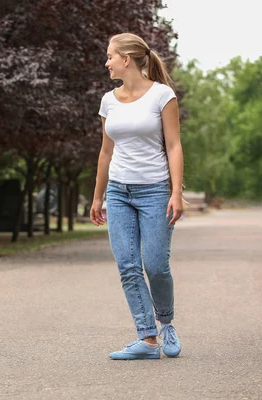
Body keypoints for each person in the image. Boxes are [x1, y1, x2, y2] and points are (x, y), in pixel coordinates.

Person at [90, 33, 184, 360]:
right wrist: (97, 196)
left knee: (155, 265)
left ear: (126, 59)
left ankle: (166, 323)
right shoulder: (108, 100)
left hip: (156, 190)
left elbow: (173, 145)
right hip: (118, 191)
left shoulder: (162, 95)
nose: (107, 62)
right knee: (128, 265)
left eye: (110, 56)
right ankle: (147, 338)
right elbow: (105, 152)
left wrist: (176, 192)